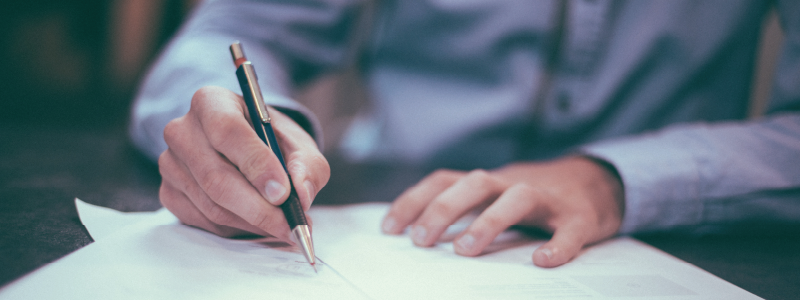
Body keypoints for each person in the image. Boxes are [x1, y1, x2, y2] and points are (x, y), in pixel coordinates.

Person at [130, 0, 800, 268]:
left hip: (664, 236)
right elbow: (226, 36)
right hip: (389, 211)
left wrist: (615, 177)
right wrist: (250, 130)